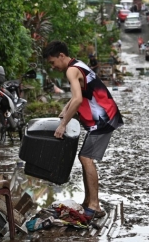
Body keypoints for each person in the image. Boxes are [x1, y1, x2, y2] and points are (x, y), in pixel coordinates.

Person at [43, 40, 123, 219]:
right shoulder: (77, 64)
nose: (53, 66)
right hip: (105, 115)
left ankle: (94, 205)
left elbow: (78, 99)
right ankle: (89, 201)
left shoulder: (71, 70)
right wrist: (65, 111)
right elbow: (77, 97)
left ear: (61, 56)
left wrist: (63, 125)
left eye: (52, 62)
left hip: (103, 118)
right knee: (84, 156)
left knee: (86, 158)